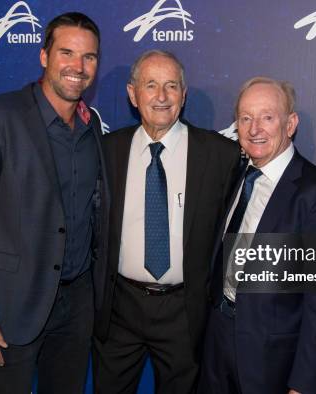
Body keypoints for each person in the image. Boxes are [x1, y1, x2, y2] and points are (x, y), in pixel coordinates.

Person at [0, 12, 108, 394]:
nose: (78, 67)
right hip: (10, 307)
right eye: (67, 53)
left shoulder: (92, 127)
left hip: (77, 306)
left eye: (89, 57)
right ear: (43, 56)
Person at [93, 50, 241, 394]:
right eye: (151, 85)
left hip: (185, 312)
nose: (161, 97)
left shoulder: (220, 155)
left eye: (171, 86)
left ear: (183, 95)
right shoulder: (106, 150)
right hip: (119, 309)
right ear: (132, 94)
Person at [199, 77, 316, 394]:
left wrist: (304, 385)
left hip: (271, 361)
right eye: (245, 118)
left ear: (290, 124)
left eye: (267, 117)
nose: (255, 129)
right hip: (217, 343)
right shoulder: (237, 175)